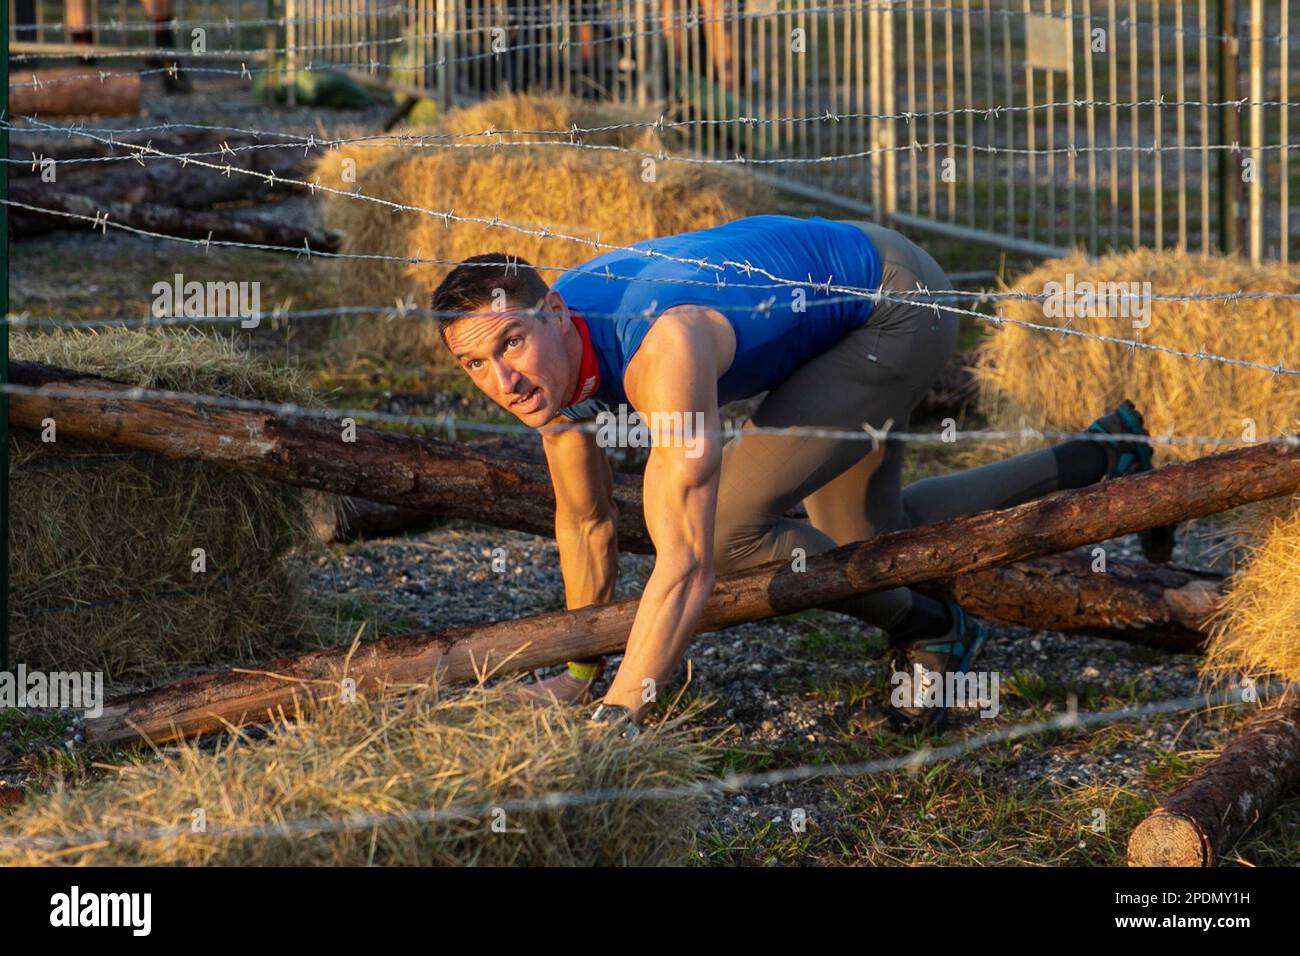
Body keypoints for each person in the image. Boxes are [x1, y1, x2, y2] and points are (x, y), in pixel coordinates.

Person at [429, 215, 1171, 735]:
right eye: (473, 365)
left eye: (511, 346)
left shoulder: (661, 345)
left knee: (731, 526)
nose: (502, 381)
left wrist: (619, 714)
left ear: (554, 313)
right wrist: (580, 672)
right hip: (827, 307)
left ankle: (939, 629)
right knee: (872, 539)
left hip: (892, 303)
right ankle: (1108, 454)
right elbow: (586, 522)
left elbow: (691, 563)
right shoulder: (546, 371)